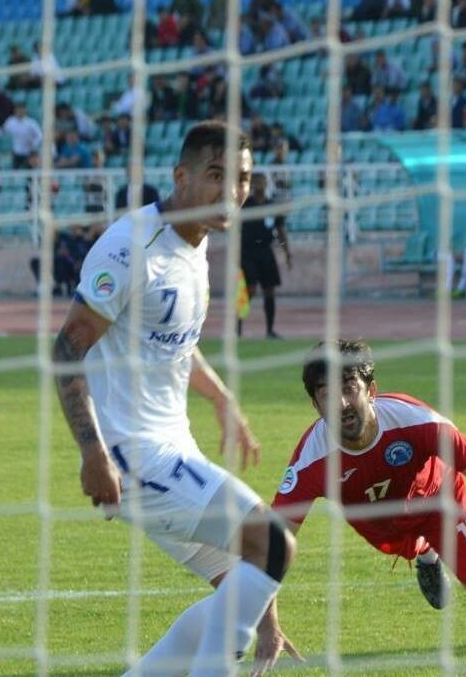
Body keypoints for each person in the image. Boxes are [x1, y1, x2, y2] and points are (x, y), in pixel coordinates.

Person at [52, 121, 296, 676]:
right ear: (181, 176)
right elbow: (67, 348)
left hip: (172, 448)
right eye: (216, 175)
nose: (231, 191)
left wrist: (221, 399)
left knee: (241, 583)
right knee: (274, 542)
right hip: (132, 456)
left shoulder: (196, 245)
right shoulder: (130, 247)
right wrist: (93, 454)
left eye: (241, 178)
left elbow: (175, 344)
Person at [260, 339, 466, 677]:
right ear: (316, 405)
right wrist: (268, 625)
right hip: (380, 524)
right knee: (409, 543)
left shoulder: (416, 422)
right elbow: (272, 544)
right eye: (328, 395)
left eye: (350, 389)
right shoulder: (312, 461)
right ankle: (426, 551)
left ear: (371, 390)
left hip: (441, 503)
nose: (343, 404)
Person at [238, 173, 291, 340]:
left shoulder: (272, 206)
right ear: (251, 185)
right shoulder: (244, 205)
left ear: (266, 184)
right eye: (256, 182)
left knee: (269, 290)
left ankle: (270, 330)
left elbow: (281, 231)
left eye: (262, 182)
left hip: (266, 252)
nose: (259, 185)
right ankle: (237, 328)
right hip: (248, 252)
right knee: (249, 289)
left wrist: (287, 252)